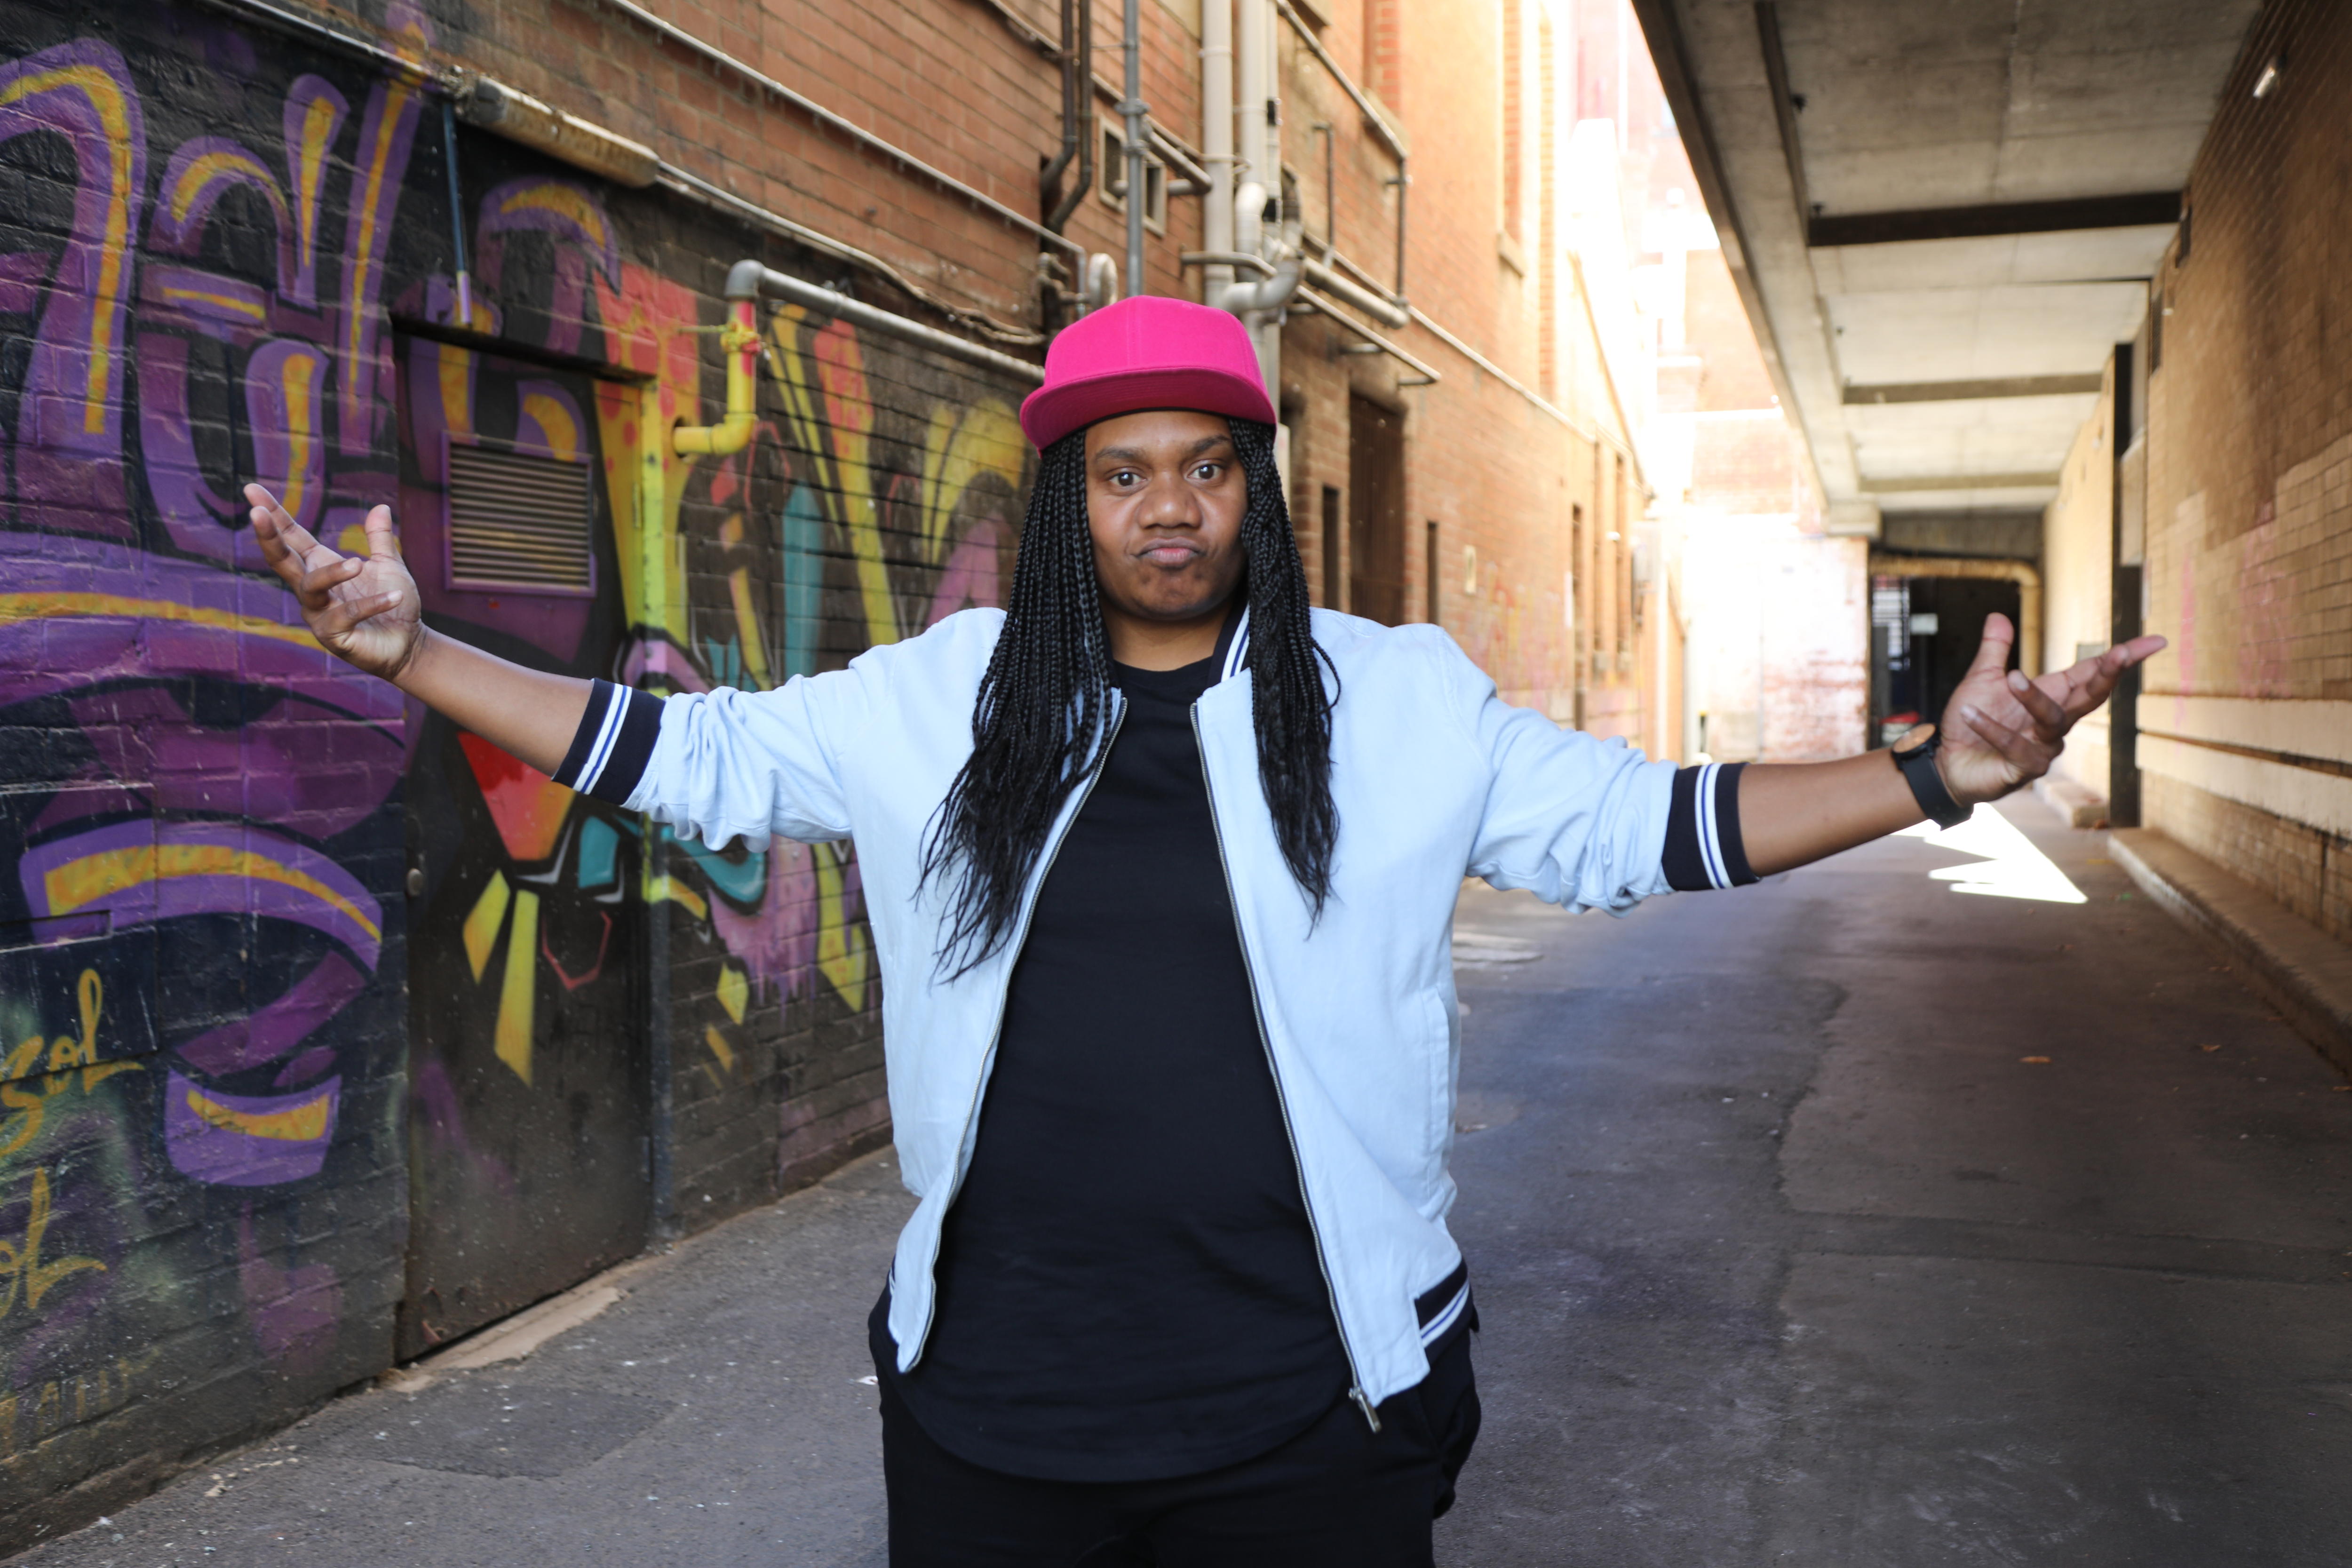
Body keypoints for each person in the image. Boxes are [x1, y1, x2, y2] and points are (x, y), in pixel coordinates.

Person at [246, 294, 2161, 1566]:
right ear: (1068, 500)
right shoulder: (940, 700)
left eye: (1208, 463)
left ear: (1255, 485)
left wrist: (1928, 772)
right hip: (995, 1408)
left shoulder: (1392, 701)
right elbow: (686, 757)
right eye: (1122, 470)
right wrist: (409, 648)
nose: (1169, 507)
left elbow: (1644, 829)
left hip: (1313, 1411)